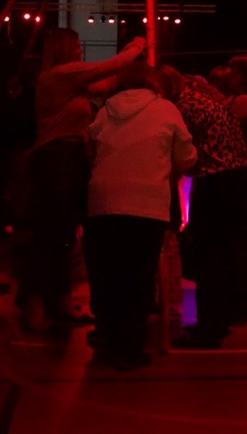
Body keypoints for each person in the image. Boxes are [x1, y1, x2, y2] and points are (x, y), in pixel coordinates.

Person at [22, 29, 146, 332]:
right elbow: (109, 68)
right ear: (65, 48)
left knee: (64, 237)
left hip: (68, 159)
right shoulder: (60, 75)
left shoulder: (69, 85)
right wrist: (139, 44)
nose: (80, 50)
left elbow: (107, 83)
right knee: (51, 235)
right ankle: (36, 307)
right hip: (56, 160)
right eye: (76, 46)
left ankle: (58, 303)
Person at [83, 63, 197, 370]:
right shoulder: (166, 110)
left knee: (107, 275)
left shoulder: (106, 110)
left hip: (103, 201)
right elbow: (186, 156)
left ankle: (108, 335)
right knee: (138, 277)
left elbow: (91, 147)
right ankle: (130, 347)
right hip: (146, 203)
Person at [173, 75, 247, 348]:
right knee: (235, 246)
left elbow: (181, 150)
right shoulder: (214, 101)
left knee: (209, 254)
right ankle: (241, 308)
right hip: (239, 175)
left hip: (215, 179)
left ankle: (210, 326)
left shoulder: (185, 105)